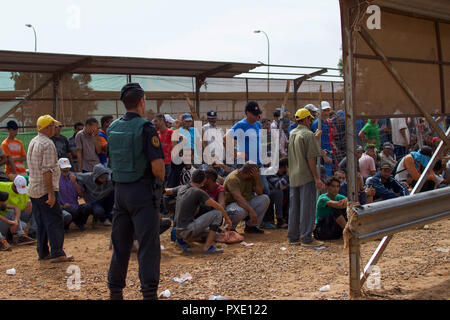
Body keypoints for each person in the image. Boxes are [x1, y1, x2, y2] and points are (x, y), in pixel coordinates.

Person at [107, 83, 165, 300]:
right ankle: (149, 294)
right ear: (142, 101)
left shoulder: (112, 128)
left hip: (120, 192)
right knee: (148, 246)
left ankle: (115, 292)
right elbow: (158, 167)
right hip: (142, 193)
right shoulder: (146, 128)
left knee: (120, 246)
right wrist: (159, 194)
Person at [27, 115, 74, 262]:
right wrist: (51, 194)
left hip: (34, 189)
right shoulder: (47, 144)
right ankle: (57, 253)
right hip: (45, 189)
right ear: (47, 128)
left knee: (41, 222)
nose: (55, 128)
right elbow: (47, 171)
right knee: (54, 220)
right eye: (53, 126)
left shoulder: (34, 141)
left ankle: (43, 252)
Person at [166, 169, 232, 254]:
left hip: (177, 231)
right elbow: (218, 206)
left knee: (213, 234)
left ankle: (181, 241)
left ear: (191, 178)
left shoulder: (182, 188)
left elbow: (167, 191)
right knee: (217, 214)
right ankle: (207, 247)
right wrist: (227, 219)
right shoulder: (198, 192)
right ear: (203, 182)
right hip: (187, 230)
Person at [288, 108, 325, 247]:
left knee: (295, 208)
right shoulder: (308, 134)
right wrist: (317, 178)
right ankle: (306, 238)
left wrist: (313, 138)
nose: (311, 121)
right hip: (306, 176)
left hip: (294, 175)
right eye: (309, 119)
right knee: (307, 208)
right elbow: (310, 159)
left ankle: (293, 237)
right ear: (304, 119)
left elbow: (300, 148)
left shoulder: (293, 133)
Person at [223, 162, 270, 233]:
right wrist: (251, 211)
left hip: (246, 201)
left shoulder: (252, 176)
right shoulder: (233, 178)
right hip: (232, 204)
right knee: (241, 211)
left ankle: (251, 226)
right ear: (249, 173)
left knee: (265, 199)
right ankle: (230, 228)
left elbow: (260, 192)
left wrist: (257, 178)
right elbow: (238, 198)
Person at [58, 158, 92, 231]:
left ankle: (80, 223)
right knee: (70, 212)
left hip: (75, 206)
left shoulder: (74, 177)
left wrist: (75, 183)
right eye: (64, 168)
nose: (66, 170)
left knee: (87, 207)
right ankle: (66, 225)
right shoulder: (56, 179)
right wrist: (62, 206)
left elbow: (82, 195)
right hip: (63, 207)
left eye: (67, 167)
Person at [226, 101, 263, 165]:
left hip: (258, 161)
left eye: (257, 114)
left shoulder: (258, 124)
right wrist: (236, 154)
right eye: (254, 114)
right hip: (245, 164)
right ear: (247, 113)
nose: (257, 116)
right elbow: (226, 138)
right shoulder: (241, 125)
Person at [264, 157, 289, 229]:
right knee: (278, 192)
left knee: (288, 190)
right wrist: (287, 176)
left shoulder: (283, 174)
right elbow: (279, 186)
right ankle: (279, 220)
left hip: (272, 195)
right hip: (265, 195)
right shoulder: (271, 171)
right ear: (286, 167)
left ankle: (286, 217)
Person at [311, 101, 334, 177]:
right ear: (319, 111)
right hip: (321, 156)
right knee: (323, 177)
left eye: (328, 110)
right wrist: (324, 157)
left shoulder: (327, 123)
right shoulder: (317, 124)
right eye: (324, 110)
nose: (326, 113)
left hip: (328, 152)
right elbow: (315, 142)